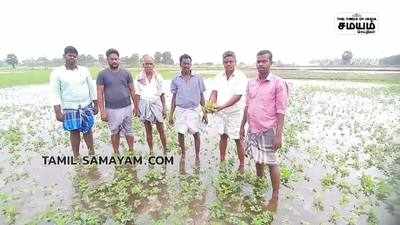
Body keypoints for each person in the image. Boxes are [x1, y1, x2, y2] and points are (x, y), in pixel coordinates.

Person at [240, 50, 288, 212]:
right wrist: (242, 126)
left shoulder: (277, 83)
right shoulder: (251, 83)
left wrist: (278, 135)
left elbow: (281, 111)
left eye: (264, 61)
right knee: (257, 158)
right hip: (253, 128)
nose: (260, 64)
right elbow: (247, 106)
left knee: (272, 162)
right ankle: (259, 182)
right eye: (258, 61)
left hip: (269, 129)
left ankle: (275, 195)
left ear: (270, 63)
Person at [49, 46, 98, 158]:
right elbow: (55, 93)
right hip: (70, 107)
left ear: (77, 58)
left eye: (75, 56)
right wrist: (57, 112)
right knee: (74, 131)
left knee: (88, 130)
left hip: (86, 105)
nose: (72, 58)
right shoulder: (57, 73)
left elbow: (91, 88)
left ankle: (92, 153)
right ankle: (76, 156)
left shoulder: (84, 70)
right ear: (64, 56)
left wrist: (96, 104)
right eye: (70, 55)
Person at [209, 51, 246, 173]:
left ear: (235, 62)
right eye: (226, 62)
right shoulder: (219, 76)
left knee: (238, 139)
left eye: (231, 61)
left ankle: (241, 165)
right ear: (223, 63)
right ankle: (222, 159)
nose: (228, 64)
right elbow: (214, 92)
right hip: (221, 113)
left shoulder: (241, 77)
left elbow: (238, 96)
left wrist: (221, 106)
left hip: (235, 113)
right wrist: (211, 104)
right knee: (223, 136)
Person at [96, 48, 136, 154]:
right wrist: (102, 111)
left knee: (129, 130)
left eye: (116, 59)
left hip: (126, 107)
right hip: (111, 109)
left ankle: (131, 150)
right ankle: (116, 152)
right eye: (111, 59)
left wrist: (136, 106)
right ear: (107, 60)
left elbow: (132, 90)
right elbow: (99, 94)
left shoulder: (126, 73)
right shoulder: (102, 74)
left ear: (119, 60)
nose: (114, 61)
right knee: (114, 131)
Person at [169, 54, 207, 161]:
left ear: (191, 64)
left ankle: (197, 155)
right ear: (180, 64)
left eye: (188, 63)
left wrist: (205, 113)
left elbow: (202, 96)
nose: (186, 65)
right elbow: (174, 98)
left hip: (194, 110)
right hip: (181, 110)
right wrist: (171, 114)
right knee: (180, 133)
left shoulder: (198, 78)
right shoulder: (176, 79)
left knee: (196, 133)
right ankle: (183, 154)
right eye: (184, 63)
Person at [133, 55, 167, 154]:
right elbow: (137, 94)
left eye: (150, 64)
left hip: (156, 104)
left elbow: (162, 93)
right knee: (148, 130)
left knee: (161, 129)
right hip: (144, 105)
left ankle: (165, 149)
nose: (148, 65)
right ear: (143, 65)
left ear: (153, 65)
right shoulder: (139, 77)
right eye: (146, 64)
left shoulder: (158, 77)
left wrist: (164, 108)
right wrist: (136, 108)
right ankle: (151, 150)